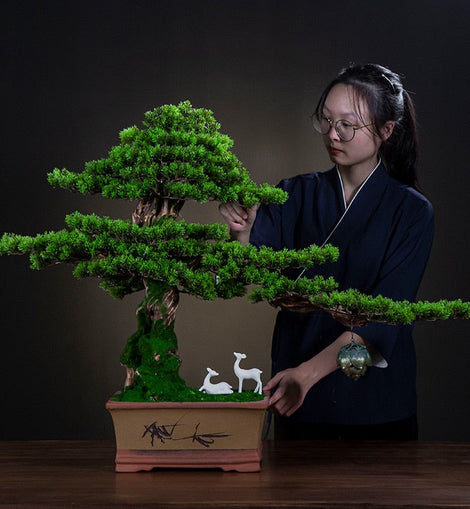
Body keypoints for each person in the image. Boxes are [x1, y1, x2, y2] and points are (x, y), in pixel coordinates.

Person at [219, 63, 434, 440]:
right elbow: (248, 273)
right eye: (326, 120)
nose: (333, 134)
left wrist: (307, 374)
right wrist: (242, 232)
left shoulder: (412, 212)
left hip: (374, 405)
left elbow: (384, 318)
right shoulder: (293, 194)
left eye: (348, 125)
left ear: (386, 131)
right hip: (295, 395)